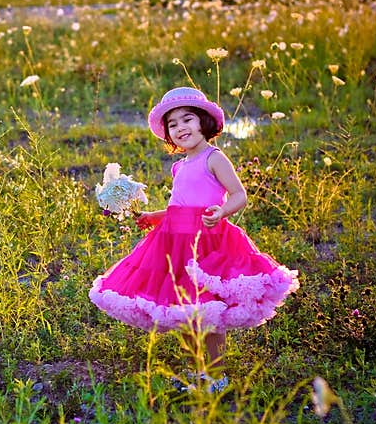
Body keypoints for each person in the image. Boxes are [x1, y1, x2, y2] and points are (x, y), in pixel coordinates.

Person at [88, 87, 299, 392]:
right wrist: (153, 216)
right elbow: (179, 207)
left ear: (203, 122)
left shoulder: (214, 158)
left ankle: (217, 376)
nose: (180, 128)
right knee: (184, 310)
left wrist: (222, 211)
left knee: (207, 310)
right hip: (173, 242)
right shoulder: (180, 165)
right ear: (169, 135)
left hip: (208, 242)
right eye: (173, 124)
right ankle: (201, 372)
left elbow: (240, 195)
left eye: (187, 119)